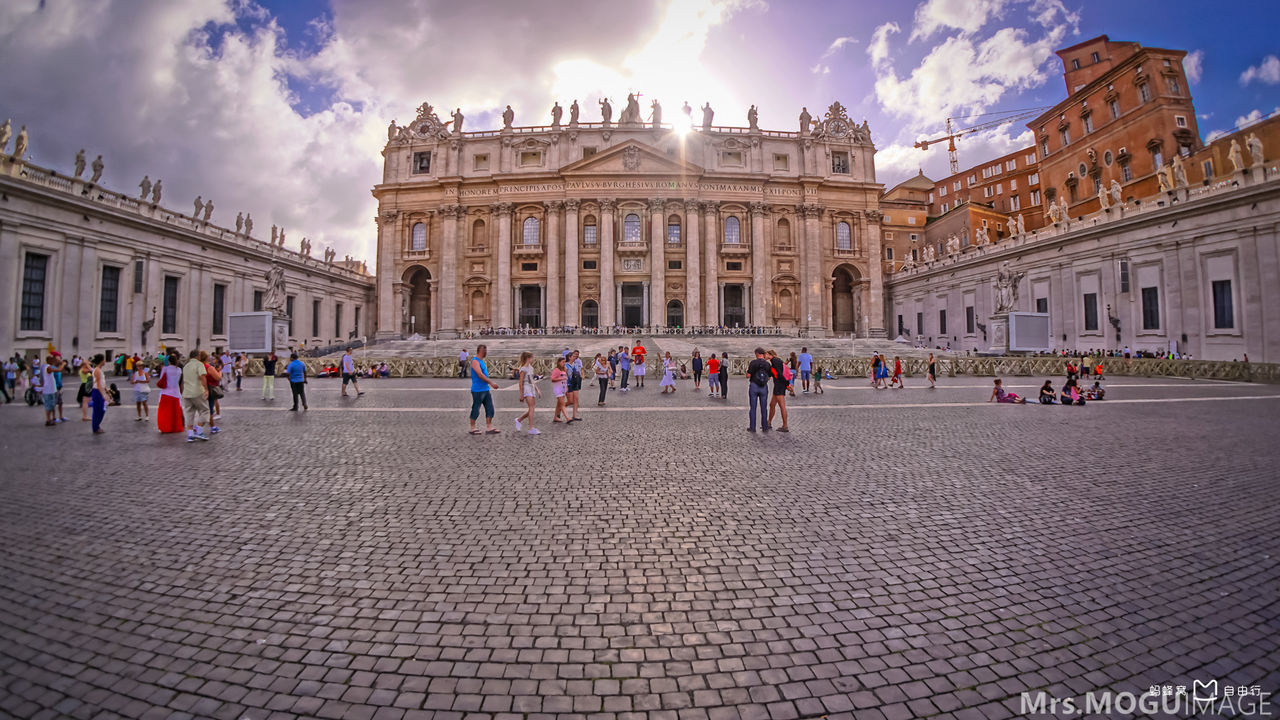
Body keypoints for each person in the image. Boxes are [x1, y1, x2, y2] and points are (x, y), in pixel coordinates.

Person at [467, 344, 500, 434]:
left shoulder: (481, 361)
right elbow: (480, 374)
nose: (486, 352)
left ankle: (489, 427)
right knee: (476, 408)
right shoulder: (475, 361)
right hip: (478, 389)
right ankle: (472, 427)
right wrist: (491, 383)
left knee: (490, 408)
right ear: (480, 350)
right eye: (485, 351)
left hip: (485, 389)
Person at [181, 350, 212, 441]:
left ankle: (190, 435)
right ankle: (199, 431)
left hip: (186, 392)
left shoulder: (185, 366)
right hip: (197, 391)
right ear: (197, 356)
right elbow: (202, 377)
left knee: (189, 413)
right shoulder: (199, 364)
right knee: (205, 410)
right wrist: (206, 389)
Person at [513, 351, 542, 435]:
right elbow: (520, 382)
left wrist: (537, 389)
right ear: (528, 358)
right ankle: (531, 428)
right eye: (532, 358)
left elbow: (532, 380)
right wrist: (521, 394)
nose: (533, 359)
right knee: (531, 408)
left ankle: (519, 420)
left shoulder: (531, 368)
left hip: (531, 388)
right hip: (526, 388)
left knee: (531, 408)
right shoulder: (523, 369)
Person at [156, 350, 184, 433]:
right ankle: (176, 427)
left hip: (166, 392)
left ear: (168, 361)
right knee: (175, 413)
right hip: (176, 392)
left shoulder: (165, 369)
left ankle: (165, 427)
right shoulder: (179, 370)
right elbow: (179, 381)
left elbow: (161, 380)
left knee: (165, 412)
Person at [746, 348, 772, 432]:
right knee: (764, 407)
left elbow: (748, 375)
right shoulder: (767, 364)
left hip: (754, 385)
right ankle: (764, 426)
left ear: (756, 354)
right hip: (763, 386)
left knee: (753, 408)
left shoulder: (753, 363)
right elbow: (769, 377)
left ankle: (752, 427)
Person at [766, 350, 790, 432]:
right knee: (772, 404)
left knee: (782, 406)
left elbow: (779, 374)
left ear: (769, 354)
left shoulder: (775, 361)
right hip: (778, 385)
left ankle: (785, 426)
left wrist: (787, 385)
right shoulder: (775, 361)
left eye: (765, 354)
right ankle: (768, 423)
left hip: (780, 385)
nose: (764, 356)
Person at [41, 355, 58, 427]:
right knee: (48, 406)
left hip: (50, 389)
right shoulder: (48, 367)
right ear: (49, 361)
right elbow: (58, 370)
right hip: (48, 390)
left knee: (51, 405)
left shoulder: (46, 366)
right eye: (52, 360)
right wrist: (63, 364)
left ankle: (50, 419)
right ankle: (48, 420)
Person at [566, 350, 583, 422]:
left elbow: (578, 371)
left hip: (575, 382)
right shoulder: (565, 365)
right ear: (569, 357)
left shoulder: (575, 364)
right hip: (568, 383)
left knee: (576, 399)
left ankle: (574, 415)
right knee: (570, 401)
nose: (575, 357)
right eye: (573, 356)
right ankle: (560, 408)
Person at [551, 356, 569, 423]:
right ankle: (567, 418)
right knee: (562, 404)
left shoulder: (564, 369)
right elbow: (553, 379)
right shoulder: (556, 370)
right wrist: (561, 378)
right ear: (559, 362)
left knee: (559, 404)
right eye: (563, 362)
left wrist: (566, 387)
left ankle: (556, 417)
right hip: (558, 388)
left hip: (563, 388)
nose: (564, 363)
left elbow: (566, 379)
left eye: (565, 362)